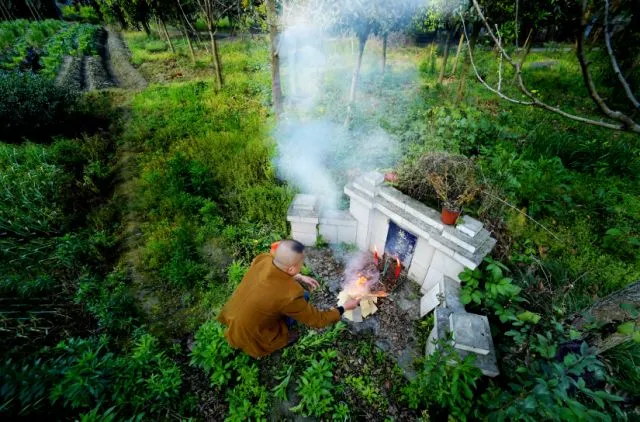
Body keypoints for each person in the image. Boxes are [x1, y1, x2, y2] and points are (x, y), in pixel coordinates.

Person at [217, 239, 360, 358]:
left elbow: (277, 270)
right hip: (253, 334)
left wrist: (300, 276)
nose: (302, 265)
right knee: (303, 297)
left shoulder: (263, 259)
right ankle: (280, 339)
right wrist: (344, 307)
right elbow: (318, 320)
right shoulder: (291, 295)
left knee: (301, 296)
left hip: (233, 314)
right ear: (291, 269)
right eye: (301, 264)